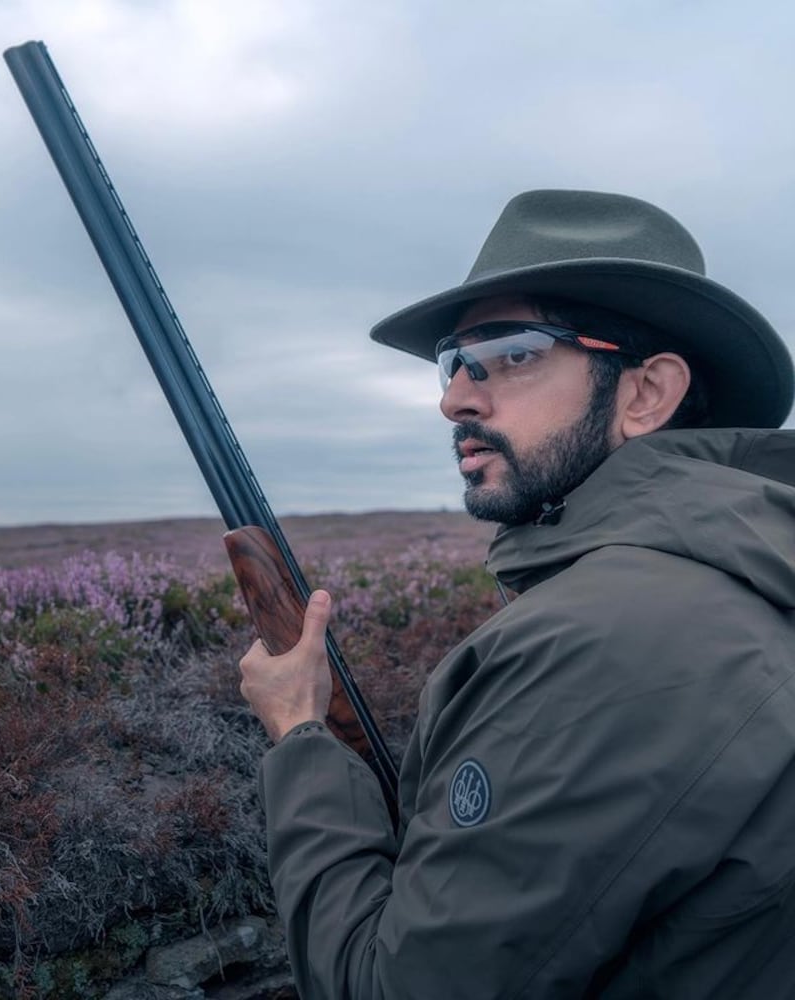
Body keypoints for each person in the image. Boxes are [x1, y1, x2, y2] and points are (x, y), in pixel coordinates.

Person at [239, 189, 795, 998]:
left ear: (646, 394)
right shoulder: (746, 569)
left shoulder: (605, 641)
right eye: (453, 362)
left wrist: (299, 739)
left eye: (515, 352)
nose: (455, 399)